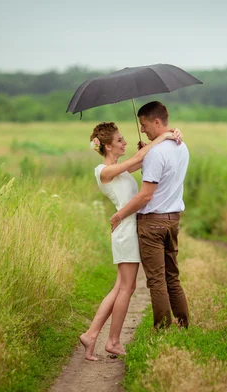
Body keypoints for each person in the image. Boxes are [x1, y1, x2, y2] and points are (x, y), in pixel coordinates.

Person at [79, 121, 181, 361]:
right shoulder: (103, 171)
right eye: (119, 140)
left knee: (120, 287)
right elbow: (139, 159)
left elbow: (141, 160)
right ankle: (112, 341)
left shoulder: (119, 169)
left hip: (128, 229)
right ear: (107, 146)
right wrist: (164, 136)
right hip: (125, 230)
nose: (124, 142)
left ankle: (91, 335)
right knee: (127, 287)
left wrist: (166, 138)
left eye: (123, 139)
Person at [110, 101, 190, 330]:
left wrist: (119, 215)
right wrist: (145, 152)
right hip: (173, 220)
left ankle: (163, 330)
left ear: (157, 122)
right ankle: (183, 325)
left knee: (156, 280)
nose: (142, 129)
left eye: (144, 125)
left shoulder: (156, 153)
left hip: (152, 223)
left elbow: (145, 196)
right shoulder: (181, 146)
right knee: (172, 276)